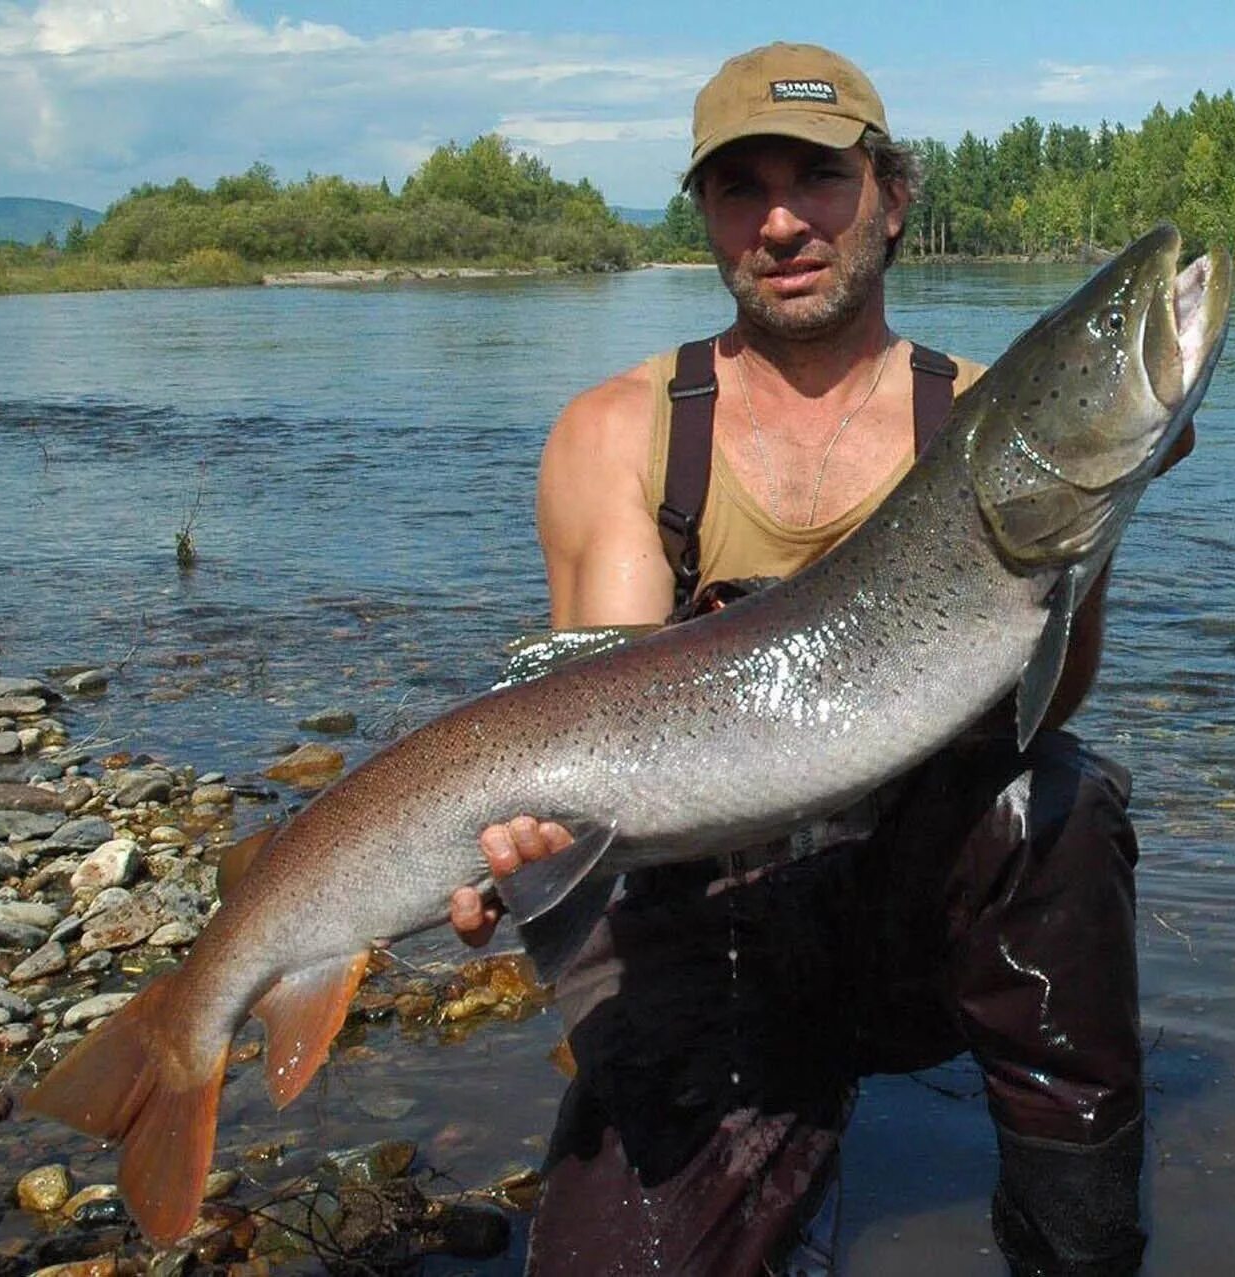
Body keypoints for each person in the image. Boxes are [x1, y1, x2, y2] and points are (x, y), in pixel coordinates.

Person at [449, 42, 1186, 1276]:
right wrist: (528, 845)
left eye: (820, 178)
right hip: (710, 926)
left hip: (909, 917)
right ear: (707, 218)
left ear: (891, 199)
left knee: (1055, 797)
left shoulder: (986, 415)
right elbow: (611, 720)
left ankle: (1079, 1241)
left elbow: (1042, 696)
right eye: (743, 188)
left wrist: (1091, 527)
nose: (783, 219)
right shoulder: (619, 434)